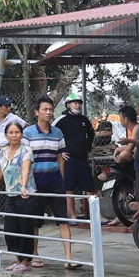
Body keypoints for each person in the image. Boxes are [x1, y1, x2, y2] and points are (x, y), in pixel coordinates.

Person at [0, 120, 38, 271]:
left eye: (17, 132)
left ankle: (25, 262)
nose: (14, 135)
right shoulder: (3, 152)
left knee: (25, 227)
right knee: (10, 228)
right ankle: (18, 259)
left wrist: (24, 186)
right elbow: (0, 172)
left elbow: (25, 168)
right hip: (10, 195)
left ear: (21, 134)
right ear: (6, 135)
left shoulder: (26, 150)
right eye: (11, 133)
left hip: (26, 195)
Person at [20, 96, 70, 268]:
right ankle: (35, 255)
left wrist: (63, 181)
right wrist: (25, 184)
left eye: (50, 109)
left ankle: (69, 258)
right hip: (36, 183)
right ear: (36, 112)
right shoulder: (27, 133)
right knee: (35, 221)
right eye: (45, 109)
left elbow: (60, 158)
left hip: (55, 182)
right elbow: (24, 160)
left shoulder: (58, 133)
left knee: (63, 219)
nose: (49, 112)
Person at [55, 96, 95, 226]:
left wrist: (87, 148)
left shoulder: (84, 120)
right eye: (75, 103)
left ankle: (95, 216)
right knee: (69, 189)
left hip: (83, 159)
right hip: (69, 161)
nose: (77, 106)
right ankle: (72, 215)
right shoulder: (61, 121)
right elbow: (51, 134)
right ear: (68, 105)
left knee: (89, 188)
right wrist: (60, 152)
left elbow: (91, 134)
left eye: (79, 103)